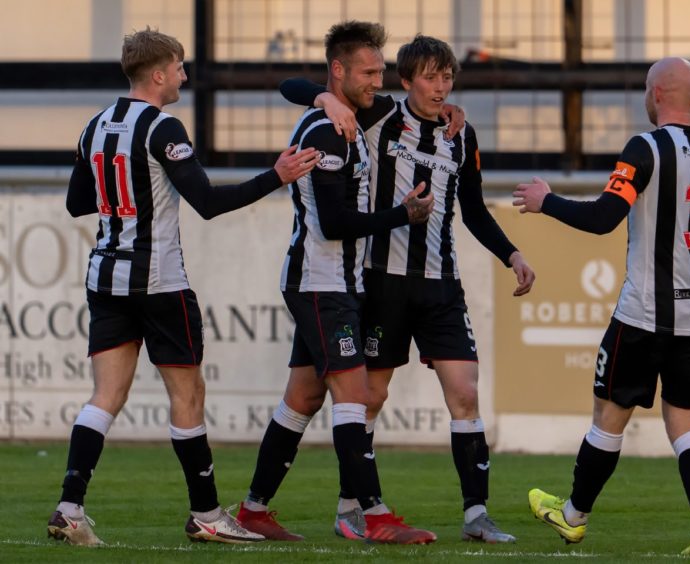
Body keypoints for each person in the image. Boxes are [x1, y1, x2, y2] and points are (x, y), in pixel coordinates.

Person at [513, 57, 690, 557]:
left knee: (610, 415)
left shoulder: (643, 149)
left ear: (655, 93)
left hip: (644, 315)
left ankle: (574, 517)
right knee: (686, 428)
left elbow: (605, 218)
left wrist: (548, 201)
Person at [47, 27, 320, 546]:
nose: (184, 76)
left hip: (106, 275)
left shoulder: (94, 126)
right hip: (158, 281)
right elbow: (209, 203)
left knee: (104, 396)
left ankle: (69, 507)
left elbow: (76, 204)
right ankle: (208, 515)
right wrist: (276, 176)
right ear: (157, 74)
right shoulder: (163, 126)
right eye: (178, 68)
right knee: (187, 394)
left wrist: (122, 195)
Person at [278, 34, 535, 544]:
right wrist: (324, 97)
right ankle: (351, 506)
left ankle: (476, 515)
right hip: (382, 284)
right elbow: (290, 84)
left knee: (464, 392)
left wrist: (513, 254)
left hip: (441, 285)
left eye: (448, 78)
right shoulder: (378, 118)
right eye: (431, 78)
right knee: (369, 397)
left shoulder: (461, 135)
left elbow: (475, 210)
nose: (441, 88)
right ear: (406, 80)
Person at [233, 21, 439, 545]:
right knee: (355, 393)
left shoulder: (351, 111)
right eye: (369, 72)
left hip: (333, 282)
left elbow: (293, 87)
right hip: (320, 284)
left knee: (302, 399)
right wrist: (402, 215)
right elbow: (333, 223)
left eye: (380, 71)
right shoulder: (326, 130)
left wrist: (329, 95)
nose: (379, 81)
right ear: (340, 70)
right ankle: (369, 514)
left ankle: (254, 509)